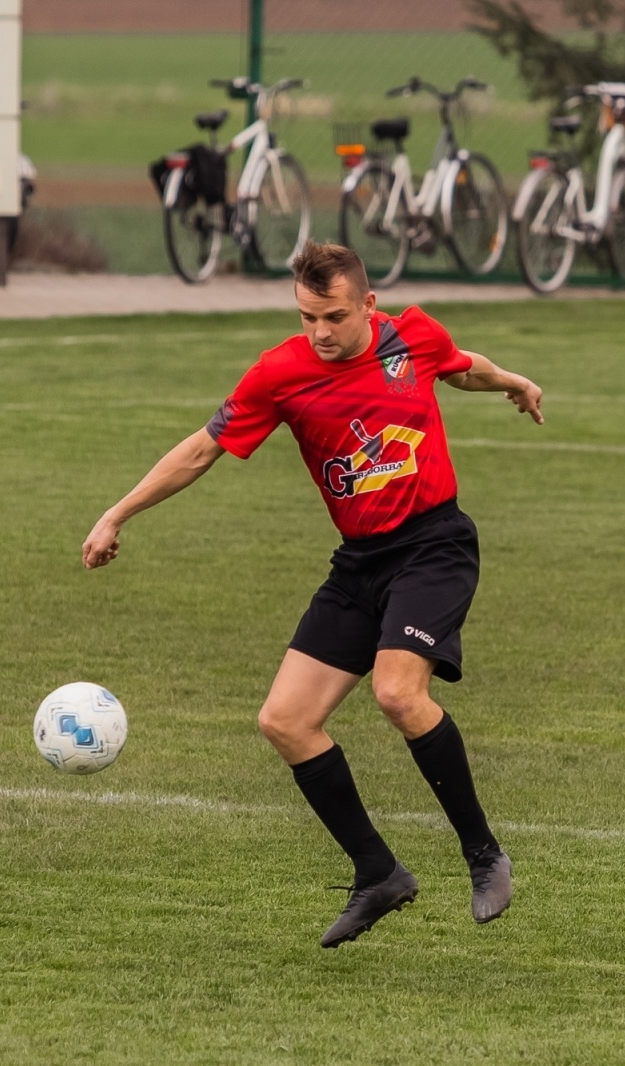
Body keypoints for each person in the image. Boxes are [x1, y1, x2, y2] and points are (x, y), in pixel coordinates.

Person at [82, 241, 543, 945]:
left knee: (397, 693)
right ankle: (378, 872)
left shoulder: (412, 335)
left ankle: (484, 853)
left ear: (368, 305)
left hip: (434, 547)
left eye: (332, 317)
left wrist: (512, 380)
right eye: (306, 317)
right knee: (285, 720)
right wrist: (118, 512)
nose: (320, 333)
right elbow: (202, 447)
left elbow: (461, 368)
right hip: (360, 563)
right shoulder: (279, 374)